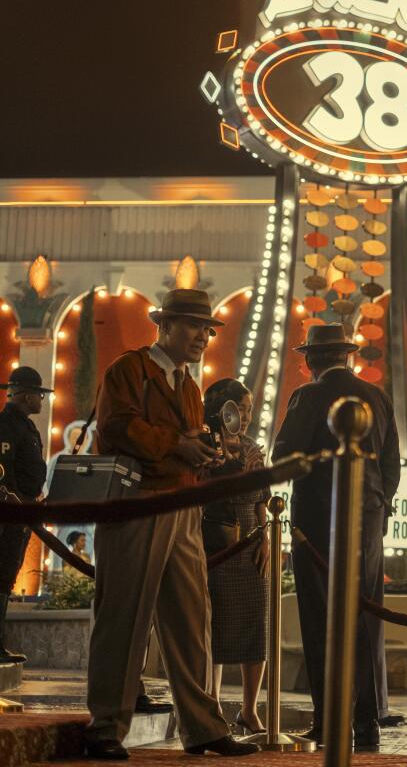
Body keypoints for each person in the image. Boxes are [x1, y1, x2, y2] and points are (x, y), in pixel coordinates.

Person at [84, 289, 258, 760]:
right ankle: (106, 725)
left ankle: (203, 727)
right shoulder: (130, 370)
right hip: (138, 503)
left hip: (182, 505)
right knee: (124, 616)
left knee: (191, 619)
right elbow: (116, 427)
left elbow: (185, 444)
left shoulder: (188, 385)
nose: (203, 336)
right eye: (193, 326)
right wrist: (177, 444)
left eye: (207, 329)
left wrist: (210, 455)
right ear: (166, 326)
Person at [273, 323, 401, 749]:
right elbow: (391, 466)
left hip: (316, 524)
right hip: (368, 521)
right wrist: (377, 505)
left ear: (310, 360)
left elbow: (283, 455)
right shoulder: (379, 397)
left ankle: (330, 720)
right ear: (347, 356)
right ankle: (366, 722)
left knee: (320, 620)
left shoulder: (308, 396)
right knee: (364, 618)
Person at [201, 379, 269, 735]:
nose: (244, 416)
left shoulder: (252, 446)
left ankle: (249, 708)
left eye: (248, 409)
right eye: (239, 408)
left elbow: (262, 498)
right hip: (218, 535)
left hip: (251, 534)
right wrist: (237, 469)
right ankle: (210, 702)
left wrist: (265, 537)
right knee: (216, 622)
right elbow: (209, 491)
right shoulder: (208, 445)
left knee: (255, 623)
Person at [0, 366, 50, 665]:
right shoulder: (7, 424)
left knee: (7, 575)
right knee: (1, 574)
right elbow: (3, 467)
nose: (42, 401)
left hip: (25, 509)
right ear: (27, 395)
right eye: (39, 395)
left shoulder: (26, 425)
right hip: (10, 512)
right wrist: (13, 499)